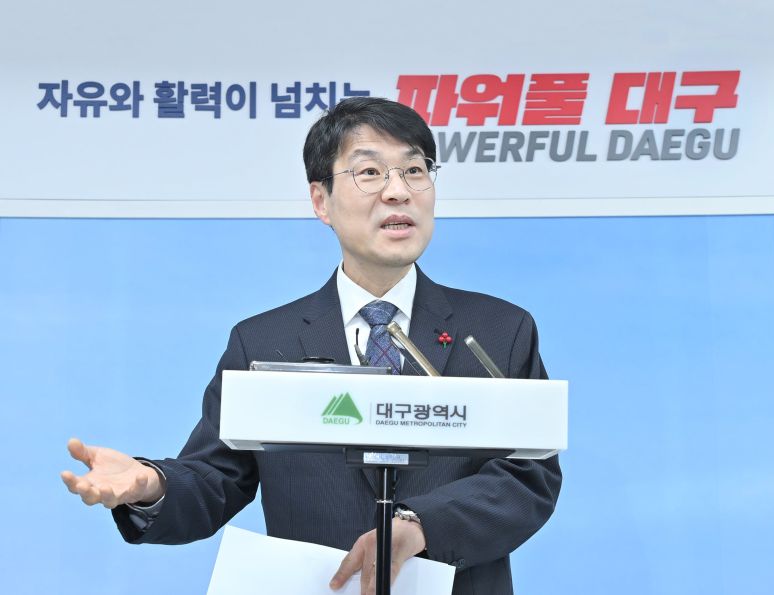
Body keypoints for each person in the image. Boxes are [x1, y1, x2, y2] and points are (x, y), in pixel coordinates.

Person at [61, 97, 562, 595]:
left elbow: (529, 477)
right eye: (370, 173)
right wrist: (153, 485)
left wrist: (420, 525)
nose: (398, 192)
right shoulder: (263, 342)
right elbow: (216, 478)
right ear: (321, 201)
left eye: (414, 170)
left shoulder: (500, 329)